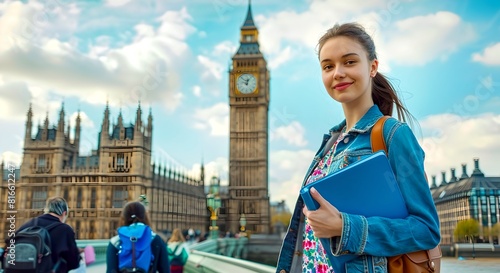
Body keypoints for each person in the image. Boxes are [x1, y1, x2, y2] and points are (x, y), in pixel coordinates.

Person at [275, 22, 441, 273]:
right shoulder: (329, 143)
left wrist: (345, 227)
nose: (338, 73)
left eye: (349, 62)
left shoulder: (393, 134)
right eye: (328, 66)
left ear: (373, 66)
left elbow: (426, 230)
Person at [8, 196, 81, 272]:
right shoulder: (65, 229)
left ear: (47, 210)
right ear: (64, 213)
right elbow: (73, 262)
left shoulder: (30, 223)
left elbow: (9, 243)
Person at [106, 201, 169, 273]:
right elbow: (165, 270)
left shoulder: (116, 241)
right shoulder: (155, 239)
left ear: (124, 217)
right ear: (145, 216)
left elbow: (111, 270)